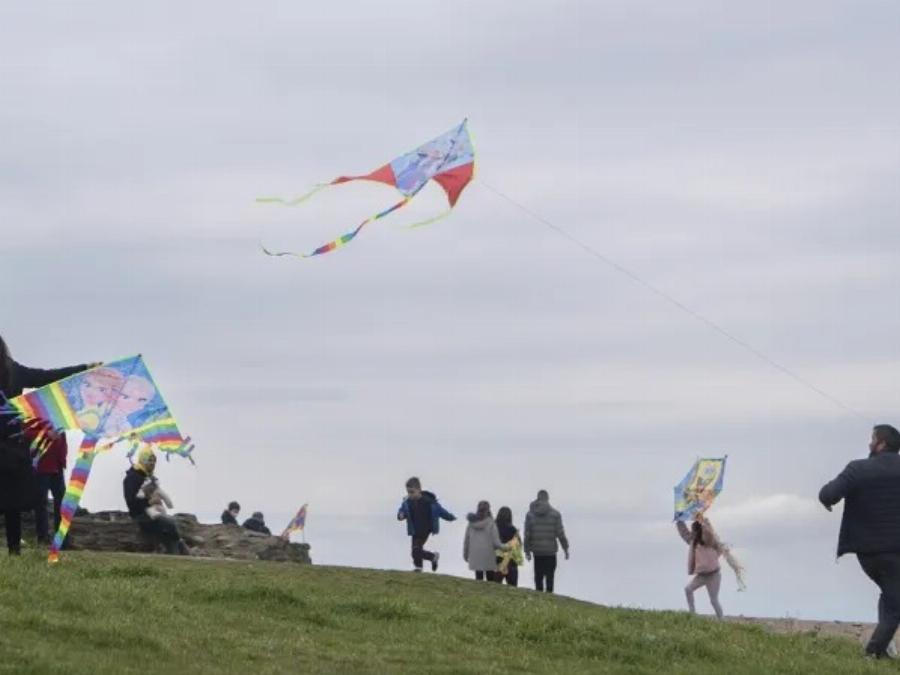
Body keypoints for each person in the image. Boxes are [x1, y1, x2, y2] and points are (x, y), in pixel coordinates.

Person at [0, 336, 90, 555]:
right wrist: (84, 368)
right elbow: (48, 377)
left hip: (11, 444)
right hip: (13, 443)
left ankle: (16, 548)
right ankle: (14, 550)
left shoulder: (14, 371)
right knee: (12, 503)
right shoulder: (14, 371)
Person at [820, 424, 900, 659]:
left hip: (867, 552)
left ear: (881, 444)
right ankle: (873, 653)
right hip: (896, 552)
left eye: (872, 439)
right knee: (895, 601)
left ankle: (881, 651)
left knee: (891, 595)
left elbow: (827, 495)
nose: (869, 443)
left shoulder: (858, 469)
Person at [123, 446, 187, 555]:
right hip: (141, 515)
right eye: (150, 460)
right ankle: (180, 547)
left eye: (154, 461)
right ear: (143, 460)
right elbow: (131, 502)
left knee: (167, 527)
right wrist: (149, 502)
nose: (153, 463)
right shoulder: (132, 478)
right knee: (169, 522)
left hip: (150, 511)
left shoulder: (147, 476)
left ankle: (176, 552)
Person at [397, 476, 456, 572]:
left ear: (419, 490)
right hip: (414, 530)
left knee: (416, 550)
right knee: (415, 551)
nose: (410, 495)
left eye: (412, 492)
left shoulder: (429, 501)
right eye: (408, 492)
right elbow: (402, 511)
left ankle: (427, 560)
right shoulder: (408, 502)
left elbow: (441, 511)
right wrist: (400, 515)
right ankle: (422, 564)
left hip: (425, 530)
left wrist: (451, 517)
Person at [26, 422, 68, 545]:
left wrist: (63, 459)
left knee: (62, 502)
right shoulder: (34, 413)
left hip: (57, 466)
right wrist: (46, 434)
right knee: (41, 503)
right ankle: (43, 538)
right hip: (40, 466)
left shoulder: (58, 415)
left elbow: (63, 437)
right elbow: (26, 433)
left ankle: (63, 539)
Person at [676, 514, 725, 619]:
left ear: (698, 530)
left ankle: (722, 620)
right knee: (688, 589)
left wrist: (703, 520)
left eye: (693, 530)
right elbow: (684, 534)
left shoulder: (709, 540)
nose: (691, 532)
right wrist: (679, 521)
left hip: (714, 575)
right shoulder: (693, 542)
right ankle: (692, 614)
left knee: (713, 600)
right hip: (702, 575)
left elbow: (708, 532)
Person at [524, 489, 570, 593]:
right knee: (550, 577)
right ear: (548, 498)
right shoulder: (555, 514)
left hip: (537, 551)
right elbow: (560, 534)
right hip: (550, 551)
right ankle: (550, 597)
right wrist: (565, 548)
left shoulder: (530, 515)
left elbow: (527, 534)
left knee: (538, 577)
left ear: (538, 498)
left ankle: (539, 597)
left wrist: (527, 550)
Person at [464, 500, 509, 581]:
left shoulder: (471, 524)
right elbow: (496, 543)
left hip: (475, 554)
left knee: (479, 578)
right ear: (488, 510)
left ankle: (478, 592)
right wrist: (506, 547)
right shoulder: (491, 523)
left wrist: (465, 554)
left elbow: (467, 541)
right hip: (488, 554)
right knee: (490, 579)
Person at [493, 506, 523, 587]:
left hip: (497, 560)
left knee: (495, 587)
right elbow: (519, 545)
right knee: (513, 587)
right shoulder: (513, 529)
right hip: (511, 561)